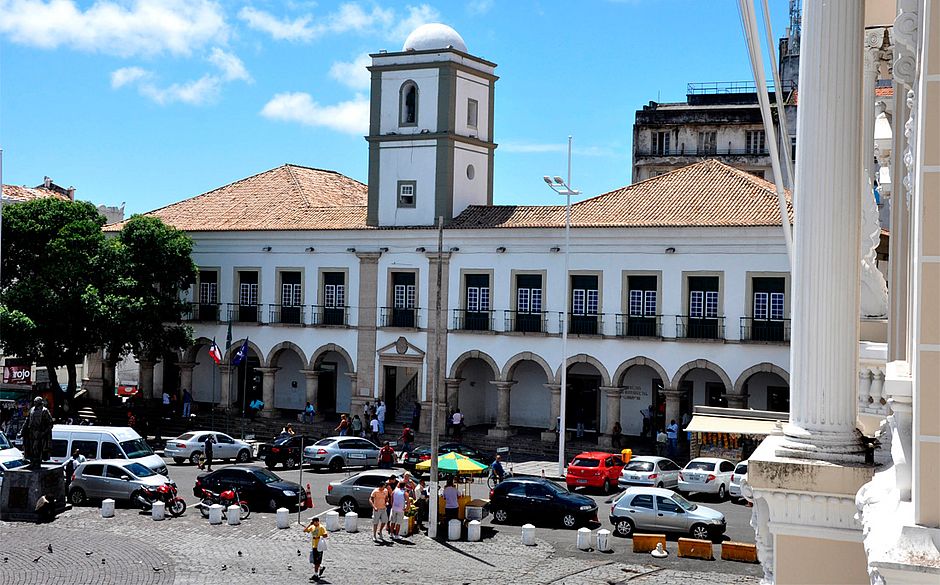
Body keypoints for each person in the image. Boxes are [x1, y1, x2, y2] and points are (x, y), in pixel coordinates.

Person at [303, 516, 328, 581]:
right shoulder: (312, 526)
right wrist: (309, 524)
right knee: (314, 561)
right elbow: (305, 530)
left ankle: (316, 575)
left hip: (319, 546)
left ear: (318, 521)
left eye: (316, 522)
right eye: (314, 522)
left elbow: (326, 535)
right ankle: (321, 568)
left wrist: (319, 537)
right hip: (314, 546)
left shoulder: (321, 527)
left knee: (317, 561)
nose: (315, 523)